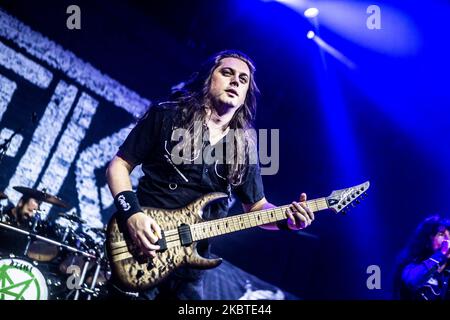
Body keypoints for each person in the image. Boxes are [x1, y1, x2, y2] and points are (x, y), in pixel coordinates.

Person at [106, 50, 315, 300]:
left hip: (191, 271)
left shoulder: (244, 146)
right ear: (208, 78)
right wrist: (132, 215)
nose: (236, 81)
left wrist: (286, 220)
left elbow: (256, 207)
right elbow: (118, 166)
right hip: (144, 248)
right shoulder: (167, 115)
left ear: (246, 94)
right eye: (227, 73)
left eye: (243, 79)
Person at [394, 215, 450, 300]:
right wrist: (441, 255)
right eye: (441, 234)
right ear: (427, 239)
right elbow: (413, 281)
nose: (448, 240)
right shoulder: (410, 262)